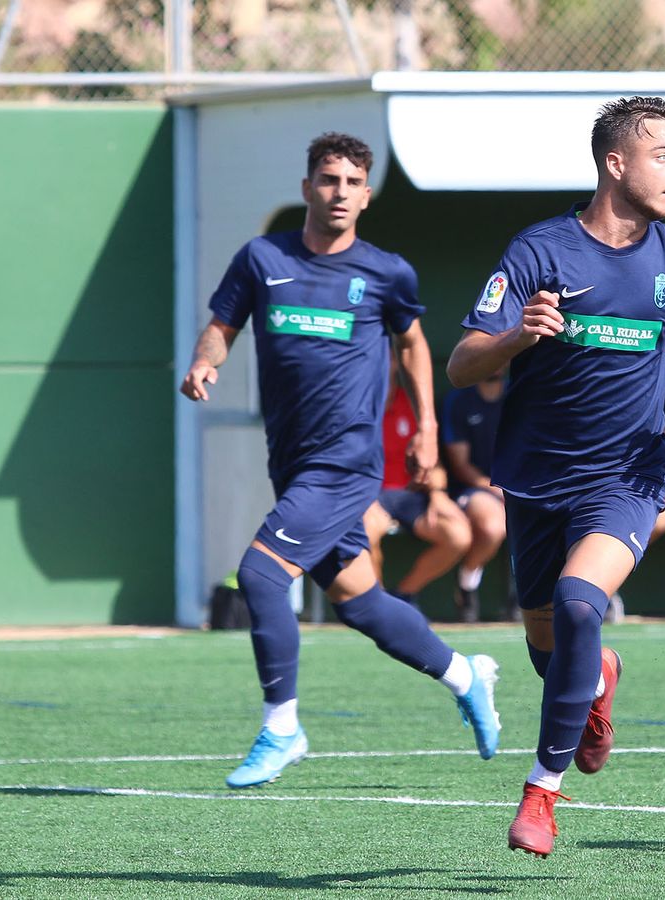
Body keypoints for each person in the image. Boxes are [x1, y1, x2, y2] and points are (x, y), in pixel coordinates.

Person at [445, 96, 665, 858]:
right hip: (533, 481)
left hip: (625, 477)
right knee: (549, 646)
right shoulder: (538, 250)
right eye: (662, 154)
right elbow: (462, 363)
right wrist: (513, 340)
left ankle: (541, 794)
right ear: (615, 162)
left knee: (577, 602)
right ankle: (596, 681)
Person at [179, 132, 500, 790]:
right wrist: (204, 362)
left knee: (262, 576)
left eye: (353, 183)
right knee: (359, 601)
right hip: (292, 461)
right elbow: (223, 324)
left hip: (346, 462)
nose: (340, 193)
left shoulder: (386, 272)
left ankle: (283, 727)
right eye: (329, 180)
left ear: (368, 195)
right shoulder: (262, 258)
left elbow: (413, 345)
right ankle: (467, 675)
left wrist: (427, 428)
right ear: (306, 188)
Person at [368, 373, 473, 615]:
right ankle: (375, 606)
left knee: (458, 535)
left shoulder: (415, 406)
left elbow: (432, 460)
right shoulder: (359, 403)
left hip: (412, 495)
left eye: (392, 358)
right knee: (364, 530)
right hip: (371, 495)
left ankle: (403, 594)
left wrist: (438, 494)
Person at [442, 369, 510, 621]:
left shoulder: (521, 394)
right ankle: (467, 586)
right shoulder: (459, 400)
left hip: (520, 486)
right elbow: (461, 465)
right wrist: (495, 487)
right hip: (473, 489)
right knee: (493, 527)